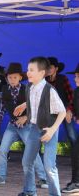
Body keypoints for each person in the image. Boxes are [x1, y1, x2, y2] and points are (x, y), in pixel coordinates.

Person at [0, 63, 48, 189]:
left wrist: (26, 117)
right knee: (3, 150)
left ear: (20, 77)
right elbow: (3, 106)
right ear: (7, 78)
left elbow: (36, 107)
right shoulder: (5, 90)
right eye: (10, 77)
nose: (12, 80)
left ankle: (43, 179)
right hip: (12, 126)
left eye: (15, 77)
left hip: (27, 126)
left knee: (33, 151)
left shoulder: (28, 89)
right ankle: (1, 177)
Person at [14, 57, 66, 196]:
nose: (28, 72)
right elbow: (34, 99)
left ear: (42, 73)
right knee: (27, 162)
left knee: (49, 167)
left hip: (49, 130)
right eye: (28, 69)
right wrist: (24, 105)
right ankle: (30, 191)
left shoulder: (50, 90)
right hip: (33, 128)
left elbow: (62, 111)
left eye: (31, 70)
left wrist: (52, 130)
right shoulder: (30, 87)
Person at [46, 57, 77, 145]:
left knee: (72, 135)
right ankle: (41, 157)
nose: (48, 69)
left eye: (50, 67)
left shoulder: (63, 79)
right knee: (45, 134)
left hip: (64, 110)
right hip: (50, 113)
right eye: (47, 67)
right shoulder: (44, 81)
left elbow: (71, 96)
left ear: (56, 68)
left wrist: (69, 110)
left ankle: (76, 155)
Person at [62, 63, 79, 193]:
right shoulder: (77, 91)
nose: (75, 79)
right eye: (75, 76)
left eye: (78, 76)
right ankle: (76, 182)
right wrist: (69, 111)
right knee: (76, 152)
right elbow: (72, 104)